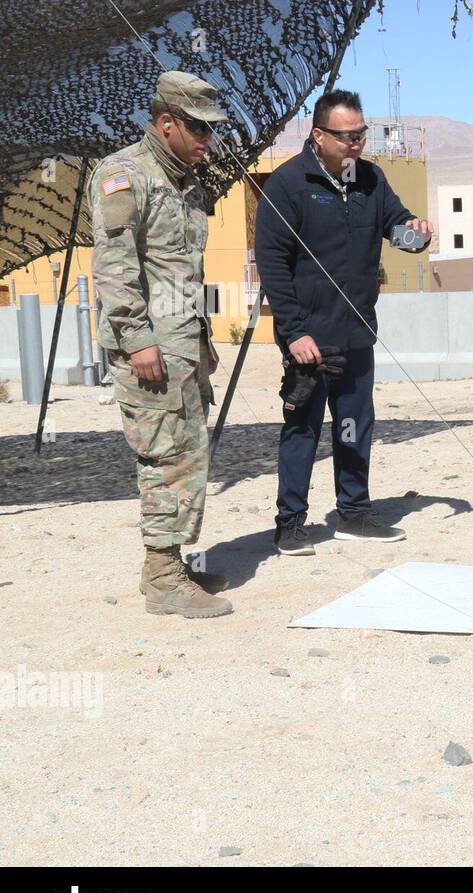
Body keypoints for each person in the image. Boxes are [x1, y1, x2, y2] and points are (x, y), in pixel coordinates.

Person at [254, 89, 432, 556]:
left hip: (357, 332)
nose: (356, 144)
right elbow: (272, 264)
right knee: (303, 429)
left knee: (355, 424)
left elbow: (396, 226)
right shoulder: (289, 185)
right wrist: (294, 332)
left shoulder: (370, 179)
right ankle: (290, 523)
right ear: (319, 135)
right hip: (309, 339)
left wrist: (415, 234)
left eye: (361, 134)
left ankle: (354, 513)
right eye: (347, 136)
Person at [92, 71, 231, 618]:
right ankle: (164, 578)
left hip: (180, 343)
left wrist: (201, 340)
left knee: (188, 452)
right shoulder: (124, 175)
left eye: (210, 129)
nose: (206, 139)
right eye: (197, 127)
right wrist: (137, 339)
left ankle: (173, 564)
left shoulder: (184, 181)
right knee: (166, 457)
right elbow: (115, 266)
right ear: (166, 122)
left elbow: (180, 272)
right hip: (148, 348)